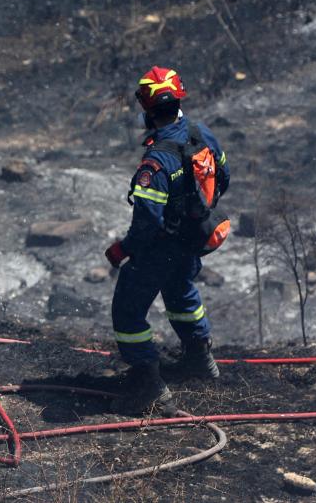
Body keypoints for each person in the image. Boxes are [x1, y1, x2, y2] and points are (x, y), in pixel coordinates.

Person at [104, 66, 230, 415]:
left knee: (128, 312)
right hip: (191, 239)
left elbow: (146, 223)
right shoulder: (200, 134)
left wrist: (122, 250)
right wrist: (195, 213)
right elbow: (224, 177)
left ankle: (148, 385)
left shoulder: (157, 161)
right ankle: (199, 359)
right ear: (177, 100)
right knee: (180, 292)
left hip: (160, 248)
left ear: (147, 110)